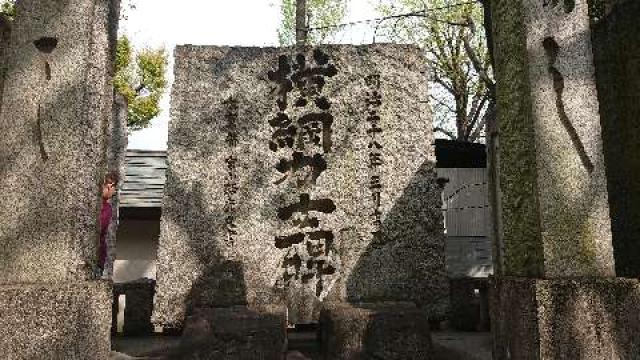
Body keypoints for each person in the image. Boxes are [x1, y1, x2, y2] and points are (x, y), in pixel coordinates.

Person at [98, 171, 119, 277]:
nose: (114, 192)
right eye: (115, 188)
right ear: (110, 186)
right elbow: (101, 227)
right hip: (98, 254)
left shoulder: (104, 206)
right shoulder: (106, 208)